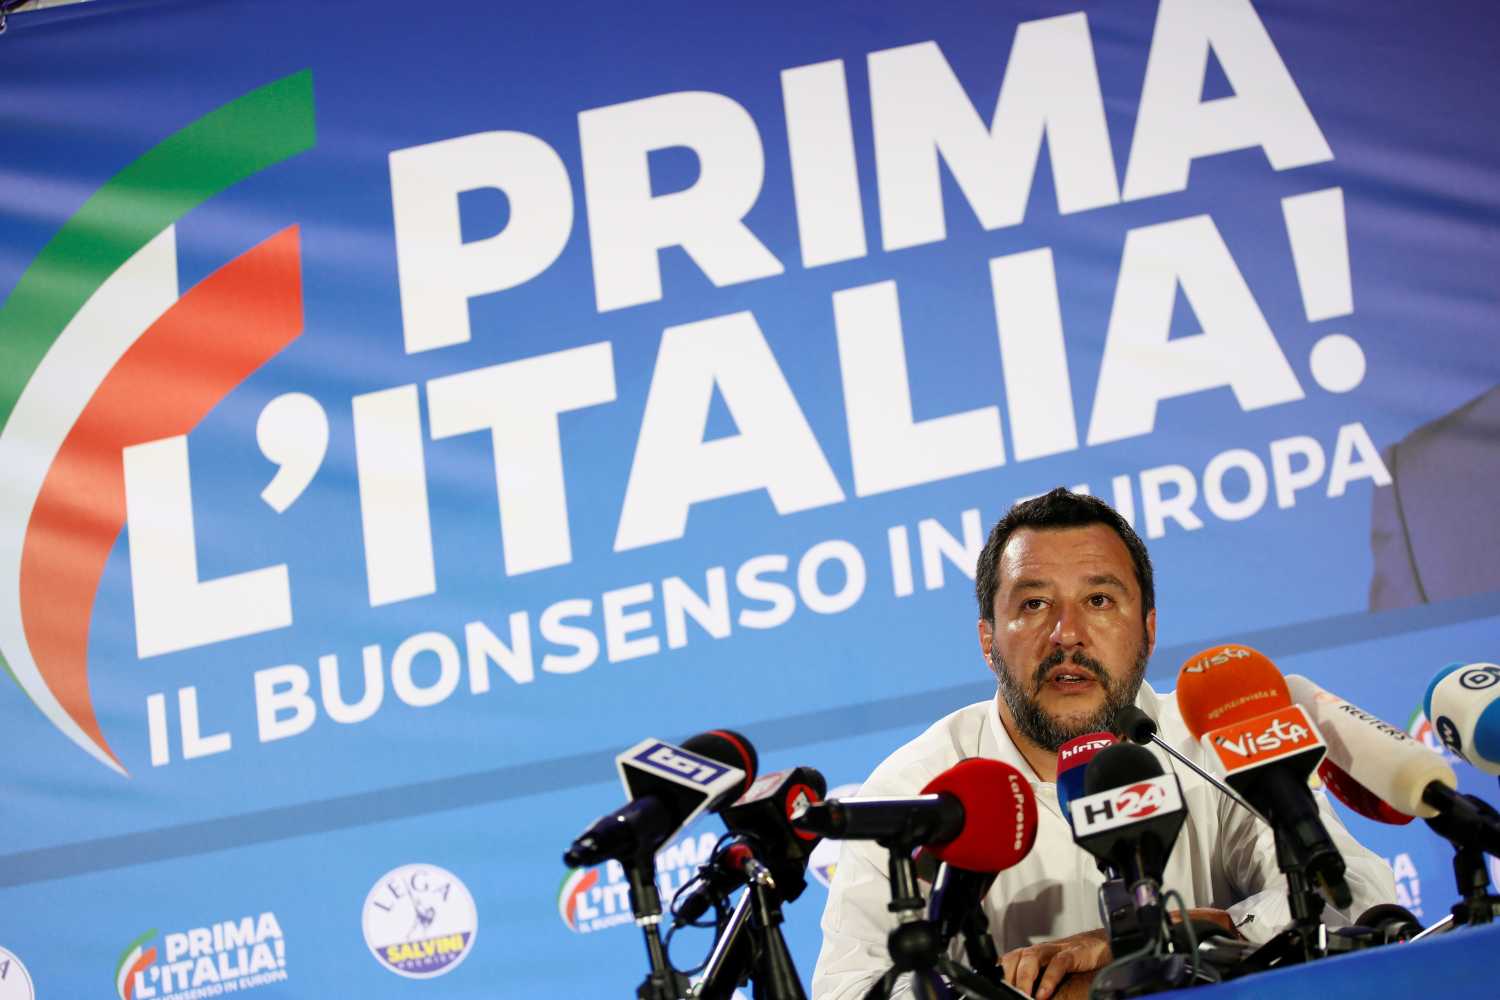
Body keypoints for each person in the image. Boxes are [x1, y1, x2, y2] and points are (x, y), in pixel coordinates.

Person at [810, 488, 1395, 1000]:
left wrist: (1176, 931)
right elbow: (851, 989)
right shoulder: (918, 789)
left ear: (1148, 630)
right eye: (1034, 604)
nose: (1068, 635)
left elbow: (1354, 898)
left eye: (1099, 601)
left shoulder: (1211, 740)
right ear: (988, 641)